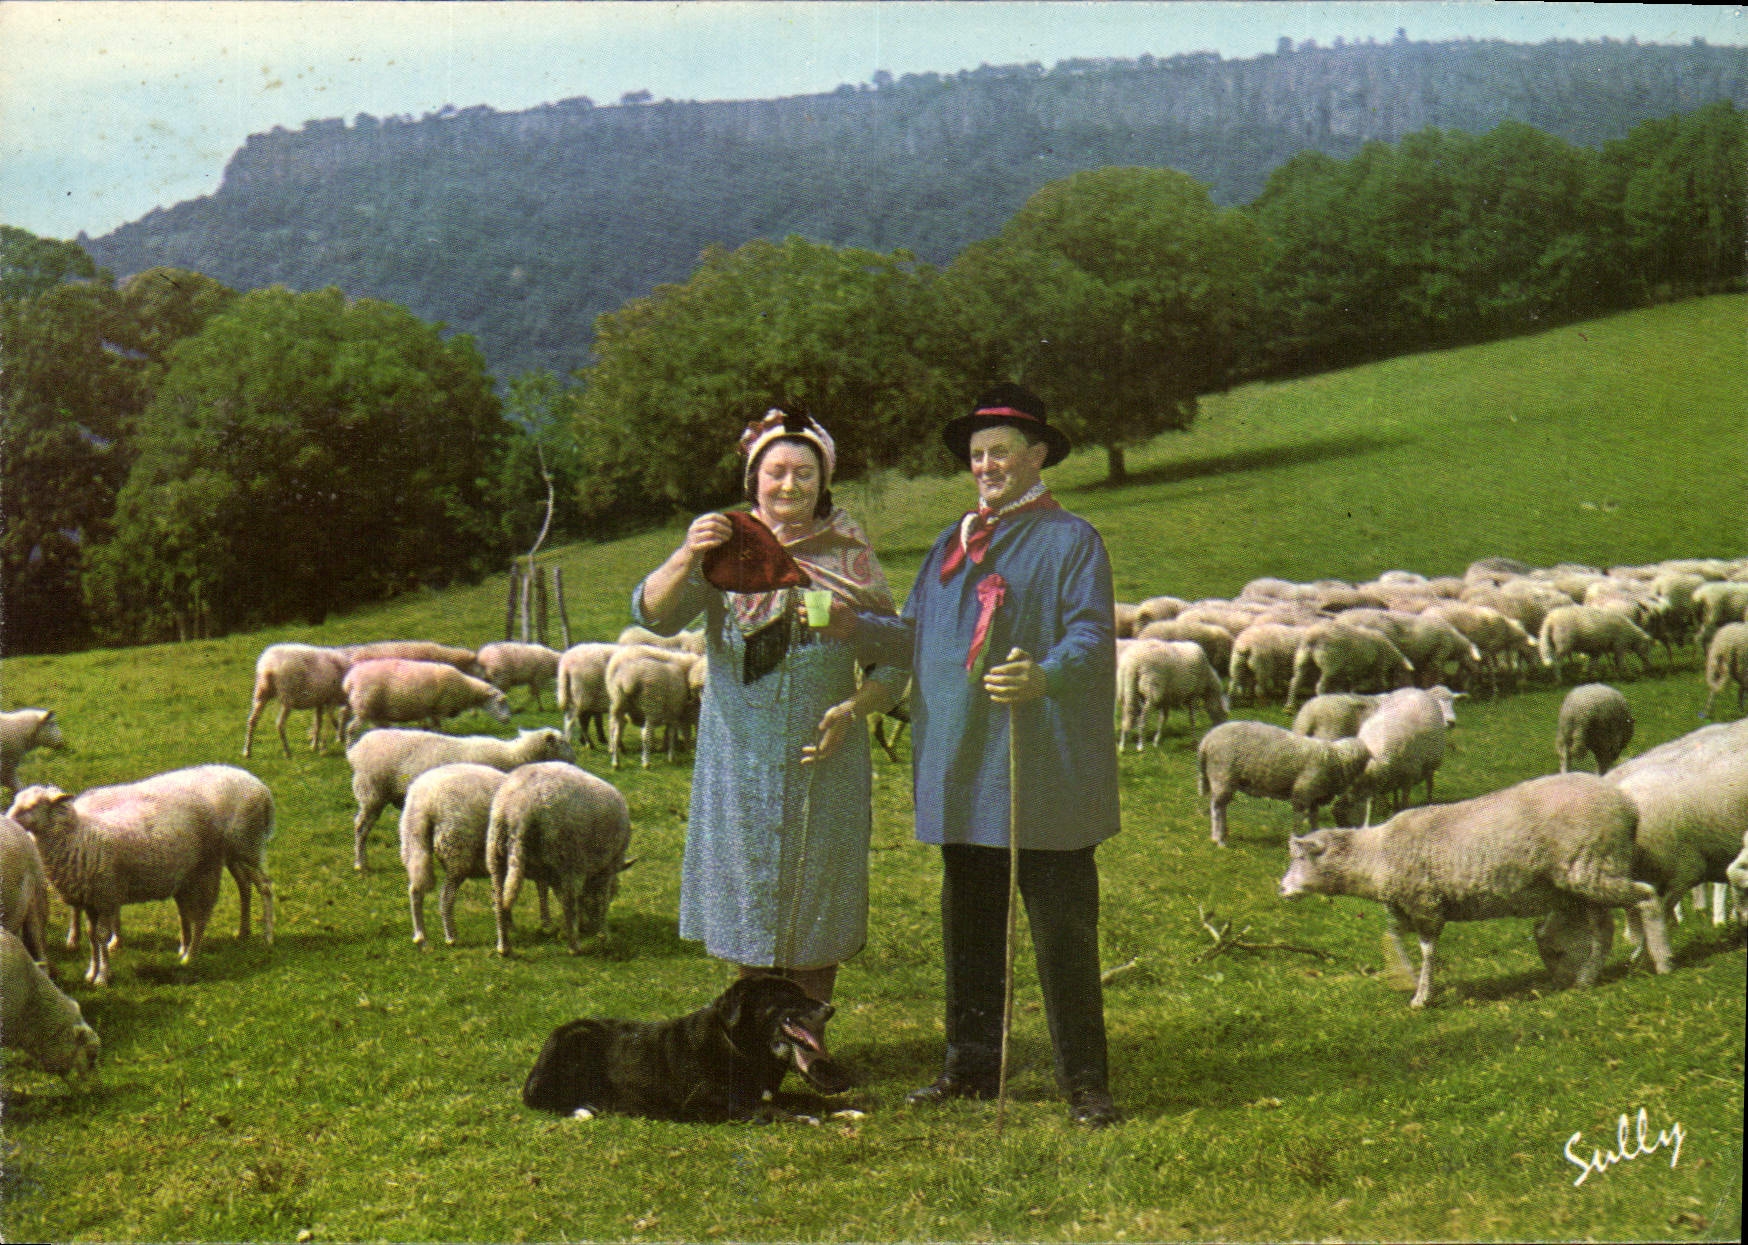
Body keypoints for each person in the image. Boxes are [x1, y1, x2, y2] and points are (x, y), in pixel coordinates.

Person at [852, 383, 1122, 1127]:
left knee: (1062, 931)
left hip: (1043, 769)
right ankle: (970, 1068)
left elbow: (1092, 633)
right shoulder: (951, 542)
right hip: (964, 764)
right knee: (969, 925)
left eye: (1000, 451)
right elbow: (912, 635)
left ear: (1037, 455)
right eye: (976, 454)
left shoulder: (1072, 541)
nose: (986, 465)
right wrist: (849, 626)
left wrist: (1046, 674)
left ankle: (1085, 1083)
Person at [633, 408, 906, 1073]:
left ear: (824, 480)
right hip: (741, 755)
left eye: (804, 472)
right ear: (753, 479)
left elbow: (894, 656)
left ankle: (808, 1042)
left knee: (818, 895)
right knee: (749, 893)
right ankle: (755, 1045)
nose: (789, 484)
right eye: (775, 471)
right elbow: (655, 613)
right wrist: (687, 553)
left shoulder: (848, 553)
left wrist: (856, 707)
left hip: (825, 754)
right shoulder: (726, 545)